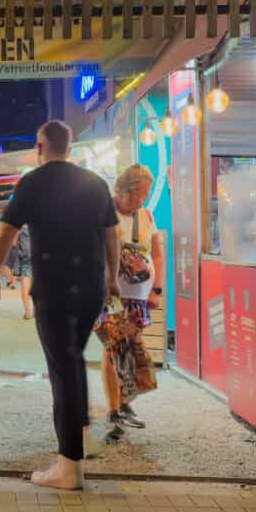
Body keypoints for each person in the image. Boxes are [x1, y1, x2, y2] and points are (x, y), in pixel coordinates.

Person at [0, 120, 120, 490]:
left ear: (40, 147)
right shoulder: (95, 183)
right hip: (90, 288)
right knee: (72, 359)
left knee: (63, 370)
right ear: (70, 147)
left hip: (54, 289)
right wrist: (112, 278)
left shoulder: (32, 183)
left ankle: (69, 467)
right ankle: (81, 436)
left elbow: (5, 233)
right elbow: (112, 235)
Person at [95, 165, 163, 441]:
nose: (144, 199)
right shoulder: (104, 213)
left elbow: (157, 254)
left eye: (146, 194)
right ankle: (114, 411)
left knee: (130, 353)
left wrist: (156, 290)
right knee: (113, 350)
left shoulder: (146, 216)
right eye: (141, 194)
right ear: (125, 191)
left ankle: (122, 404)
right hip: (112, 298)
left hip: (139, 298)